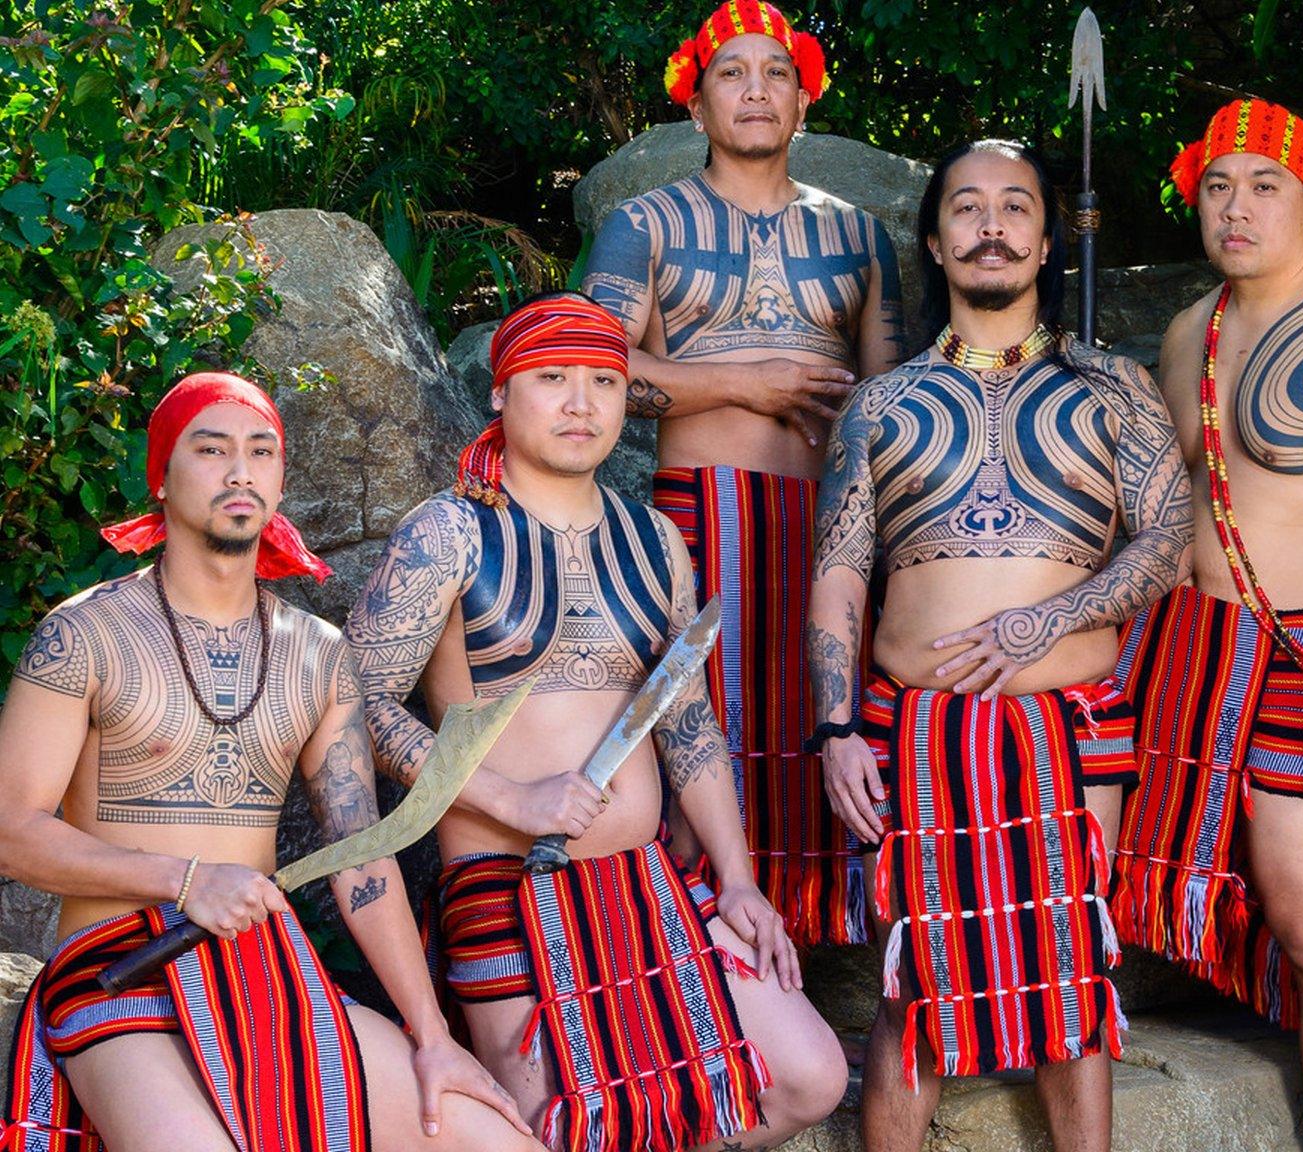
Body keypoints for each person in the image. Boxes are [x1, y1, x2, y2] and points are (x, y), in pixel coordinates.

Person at [345, 293, 845, 1150]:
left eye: (606, 381)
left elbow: (686, 722)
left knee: (809, 1079)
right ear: (502, 393)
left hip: (649, 885)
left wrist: (736, 876)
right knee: (569, 1130)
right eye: (552, 378)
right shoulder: (449, 533)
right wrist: (510, 798)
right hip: (508, 889)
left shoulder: (656, 540)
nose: (581, 403)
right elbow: (352, 715)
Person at [0, 372, 534, 1152]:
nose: (240, 470)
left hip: (266, 969)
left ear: (282, 478)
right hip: (121, 970)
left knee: (499, 1143)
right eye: (211, 450)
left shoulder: (319, 658)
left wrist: (431, 1036)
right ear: (162, 473)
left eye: (261, 451)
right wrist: (184, 881)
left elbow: (363, 863)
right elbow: (12, 831)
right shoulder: (83, 636)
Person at [808, 139, 1192, 1152]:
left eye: (1013, 207)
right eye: (967, 208)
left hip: (1069, 719)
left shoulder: (1111, 387)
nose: (990, 224)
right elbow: (841, 572)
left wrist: (1048, 619)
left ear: (1044, 237)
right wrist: (836, 726)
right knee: (912, 972)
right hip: (913, 725)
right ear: (933, 241)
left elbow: (1170, 536)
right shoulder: (879, 405)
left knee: (1072, 963)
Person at [1110, 97, 1303, 1151]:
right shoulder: (1192, 329)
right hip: (1185, 651)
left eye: (1263, 186)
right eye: (1215, 187)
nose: (1234, 208)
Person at [580, 0, 904, 947]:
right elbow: (599, 370)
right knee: (697, 719)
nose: (756, 89)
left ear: (804, 101)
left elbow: (898, 401)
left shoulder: (863, 237)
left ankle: (821, 942)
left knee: (824, 711)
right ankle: (700, 936)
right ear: (696, 103)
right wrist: (745, 382)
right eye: (732, 72)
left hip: (830, 524)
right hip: (693, 518)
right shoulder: (644, 224)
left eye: (775, 73)